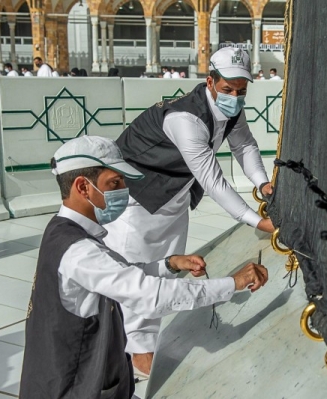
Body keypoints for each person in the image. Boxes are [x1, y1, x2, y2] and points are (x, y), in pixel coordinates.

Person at [19, 135, 269, 398]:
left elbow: (119, 274)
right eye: (114, 182)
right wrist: (233, 283)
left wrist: (168, 265)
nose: (124, 190)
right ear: (83, 187)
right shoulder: (78, 251)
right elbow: (150, 295)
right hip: (74, 389)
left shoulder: (62, 229)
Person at [105, 46, 275, 375]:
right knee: (136, 275)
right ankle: (133, 352)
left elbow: (245, 145)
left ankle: (144, 345)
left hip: (173, 200)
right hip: (136, 203)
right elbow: (212, 180)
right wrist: (256, 220)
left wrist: (262, 183)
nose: (235, 97)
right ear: (210, 82)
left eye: (242, 91)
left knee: (164, 273)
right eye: (228, 89)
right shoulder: (185, 120)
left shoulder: (232, 110)